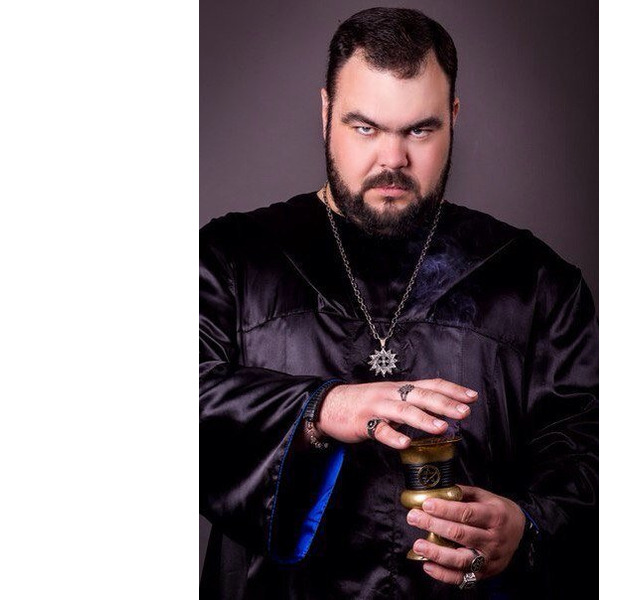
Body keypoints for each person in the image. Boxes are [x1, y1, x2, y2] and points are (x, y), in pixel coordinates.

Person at [200, 7, 597, 599]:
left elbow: (589, 441)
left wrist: (529, 525)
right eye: (365, 128)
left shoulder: (535, 281)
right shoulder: (231, 259)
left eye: (419, 131)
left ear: (453, 117)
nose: (392, 159)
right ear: (325, 112)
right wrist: (321, 407)